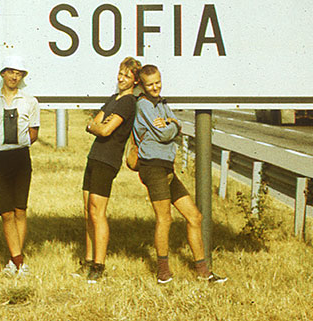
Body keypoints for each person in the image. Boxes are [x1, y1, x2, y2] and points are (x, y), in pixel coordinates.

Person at [133, 64, 227, 285]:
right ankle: (163, 272)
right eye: (150, 84)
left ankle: (204, 271)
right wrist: (172, 124)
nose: (155, 87)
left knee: (194, 217)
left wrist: (172, 123)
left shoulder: (162, 103)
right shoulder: (144, 105)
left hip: (167, 166)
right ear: (142, 86)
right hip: (152, 166)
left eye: (157, 82)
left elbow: (173, 126)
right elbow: (166, 134)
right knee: (164, 218)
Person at [79, 57, 142, 283]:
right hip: (94, 156)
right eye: (120, 73)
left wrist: (96, 126)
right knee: (88, 210)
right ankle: (87, 260)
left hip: (108, 160)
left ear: (134, 81)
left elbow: (104, 130)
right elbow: (96, 122)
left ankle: (99, 264)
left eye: (127, 76)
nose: (121, 78)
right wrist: (97, 125)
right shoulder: (113, 98)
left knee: (97, 211)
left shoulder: (127, 103)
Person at [0, 55, 40, 276]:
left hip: (21, 157)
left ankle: (15, 260)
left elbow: (34, 131)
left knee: (20, 210)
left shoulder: (30, 101)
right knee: (6, 212)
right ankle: (17, 261)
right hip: (0, 159)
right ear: (3, 73)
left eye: (19, 73)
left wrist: (20, 144)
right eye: (11, 72)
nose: (14, 76)